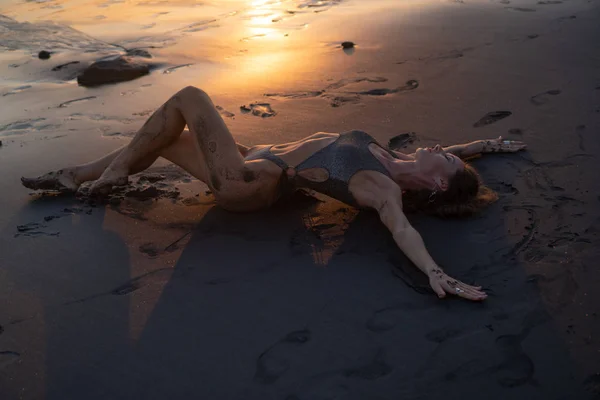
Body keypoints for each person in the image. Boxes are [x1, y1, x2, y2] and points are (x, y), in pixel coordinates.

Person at [21, 86, 527, 301]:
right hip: (255, 161)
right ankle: (77, 175)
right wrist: (488, 145)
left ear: (439, 182)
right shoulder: (398, 160)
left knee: (189, 98)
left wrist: (436, 273)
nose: (443, 148)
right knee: (165, 139)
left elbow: (402, 230)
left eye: (449, 159)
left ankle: (104, 176)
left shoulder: (381, 188)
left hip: (247, 182)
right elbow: (457, 150)